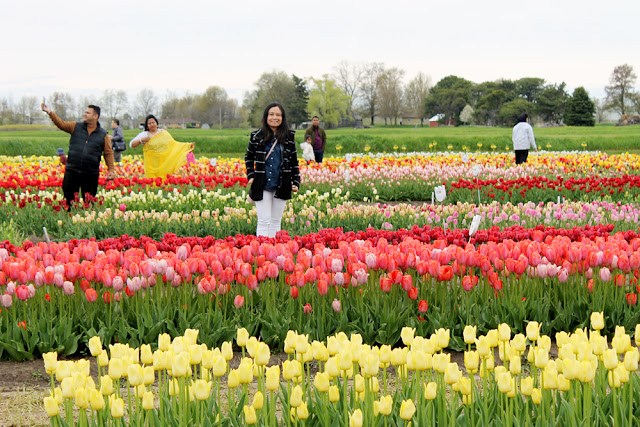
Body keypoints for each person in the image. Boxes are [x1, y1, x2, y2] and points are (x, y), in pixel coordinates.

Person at [41, 102, 116, 207]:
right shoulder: (75, 126)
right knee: (68, 201)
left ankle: (87, 222)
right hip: (72, 171)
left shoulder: (103, 134)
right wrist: (50, 112)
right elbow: (61, 124)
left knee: (89, 203)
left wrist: (111, 170)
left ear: (95, 116)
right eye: (85, 112)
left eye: (88, 113)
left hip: (90, 174)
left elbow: (108, 153)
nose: (84, 114)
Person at [245, 103, 300, 238]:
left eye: (278, 115)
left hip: (282, 183)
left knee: (276, 221)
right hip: (262, 184)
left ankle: (275, 253)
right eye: (271, 114)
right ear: (266, 116)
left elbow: (294, 160)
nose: (274, 117)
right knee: (264, 221)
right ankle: (263, 251)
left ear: (282, 118)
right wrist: (251, 175)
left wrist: (296, 181)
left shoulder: (288, 137)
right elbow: (249, 157)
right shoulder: (256, 136)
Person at [129, 114, 195, 179]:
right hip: (151, 166)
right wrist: (142, 140)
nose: (152, 124)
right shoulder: (144, 134)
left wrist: (187, 146)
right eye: (149, 123)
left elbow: (173, 144)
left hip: (164, 163)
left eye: (153, 122)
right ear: (147, 125)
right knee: (152, 182)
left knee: (165, 181)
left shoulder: (163, 133)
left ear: (156, 123)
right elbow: (131, 145)